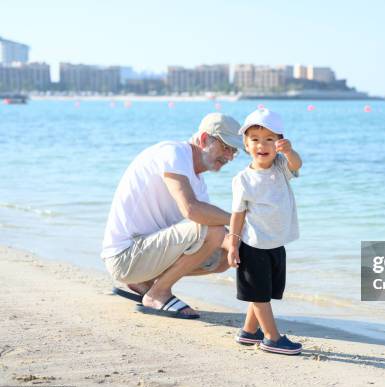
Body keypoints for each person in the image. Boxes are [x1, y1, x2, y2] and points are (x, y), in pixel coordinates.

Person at [101, 112, 241, 319]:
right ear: (203, 139)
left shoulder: (198, 181)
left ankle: (145, 283)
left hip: (144, 255)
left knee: (224, 259)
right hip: (124, 257)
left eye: (234, 151)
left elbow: (218, 235)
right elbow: (191, 210)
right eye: (225, 147)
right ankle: (158, 293)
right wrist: (239, 219)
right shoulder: (173, 153)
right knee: (213, 229)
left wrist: (240, 243)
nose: (229, 157)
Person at [227, 108, 303, 355]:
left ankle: (249, 332)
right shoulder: (243, 179)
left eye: (270, 139)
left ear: (279, 142)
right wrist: (233, 243)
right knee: (260, 295)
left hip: (275, 243)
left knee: (265, 289)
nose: (262, 145)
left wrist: (289, 151)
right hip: (253, 245)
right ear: (246, 145)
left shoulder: (281, 166)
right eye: (255, 140)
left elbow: (297, 165)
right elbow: (238, 213)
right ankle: (272, 337)